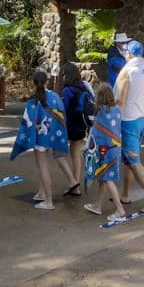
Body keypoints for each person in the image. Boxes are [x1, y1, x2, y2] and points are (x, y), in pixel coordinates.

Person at [11, 69, 80, 210]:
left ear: (33, 83)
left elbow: (27, 124)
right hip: (51, 136)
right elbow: (62, 115)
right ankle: (42, 193)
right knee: (43, 166)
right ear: (46, 82)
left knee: (42, 167)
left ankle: (48, 201)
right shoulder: (54, 97)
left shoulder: (32, 102)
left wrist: (24, 141)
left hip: (39, 139)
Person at [115, 40, 144, 213]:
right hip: (143, 120)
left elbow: (120, 100)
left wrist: (109, 115)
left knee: (134, 161)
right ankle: (125, 195)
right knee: (129, 160)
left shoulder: (127, 71)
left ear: (129, 54)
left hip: (128, 121)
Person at [83, 82, 128, 222]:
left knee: (107, 179)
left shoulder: (100, 112)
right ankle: (97, 206)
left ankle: (120, 209)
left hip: (104, 150)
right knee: (104, 176)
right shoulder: (117, 111)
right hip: (115, 149)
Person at [60, 62, 95, 195]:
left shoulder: (67, 90)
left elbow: (62, 108)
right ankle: (76, 185)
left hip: (71, 125)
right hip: (82, 124)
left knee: (60, 154)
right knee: (76, 154)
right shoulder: (84, 86)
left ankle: (73, 182)